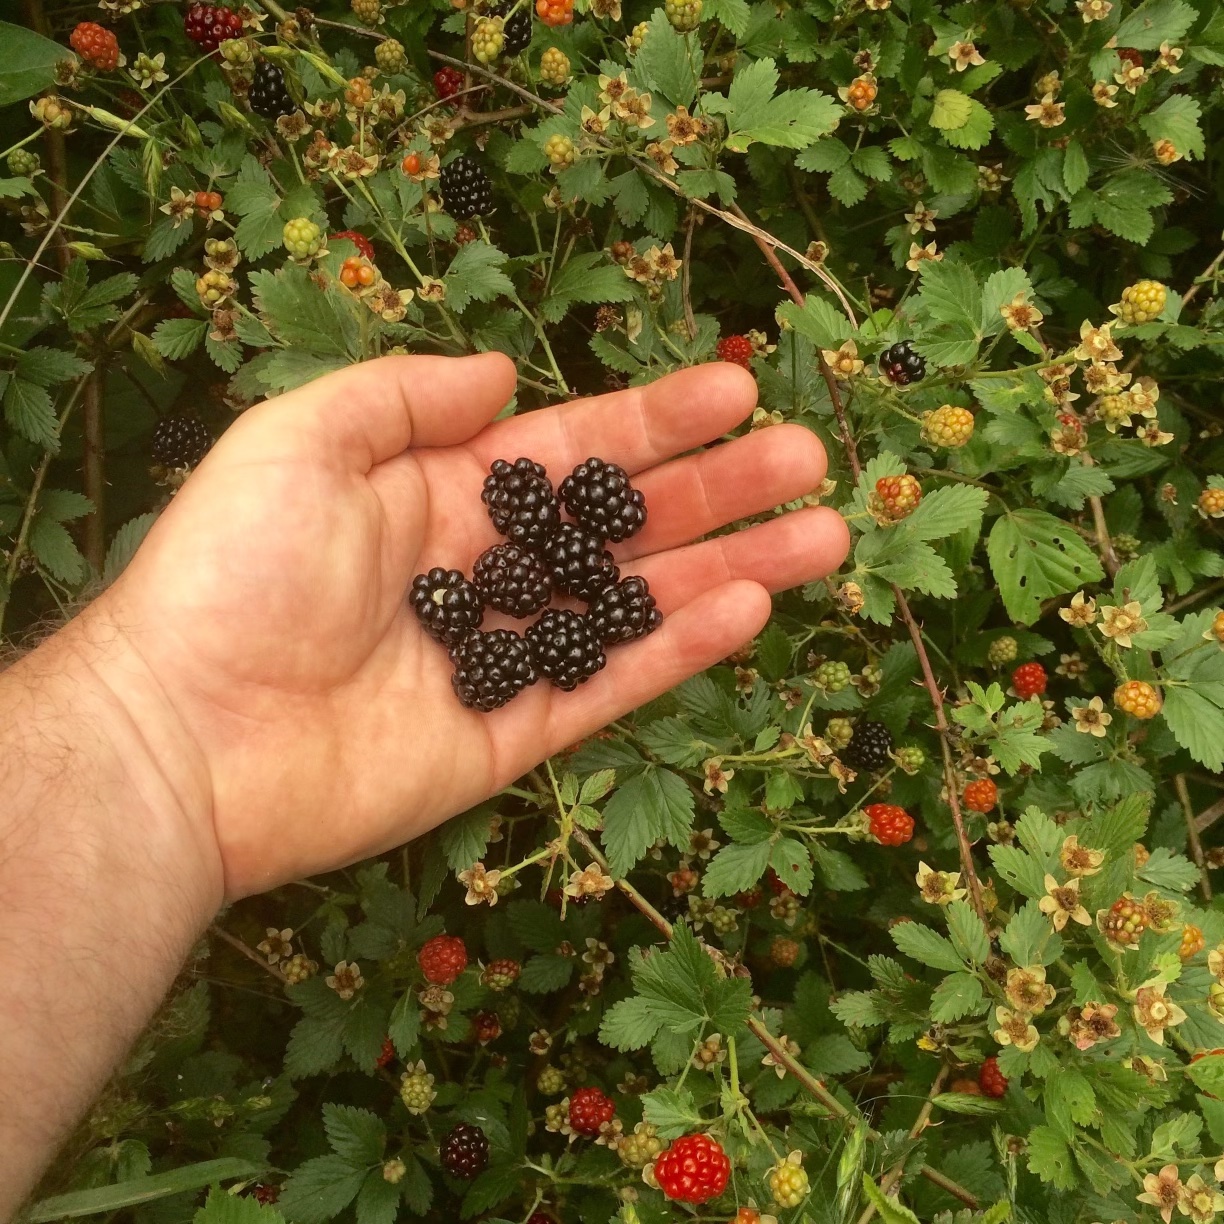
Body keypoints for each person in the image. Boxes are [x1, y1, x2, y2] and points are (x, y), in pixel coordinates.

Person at [0, 353, 849, 1216]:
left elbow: (551, 585)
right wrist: (143, 720)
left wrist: (138, 728)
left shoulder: (533, 585)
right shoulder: (505, 595)